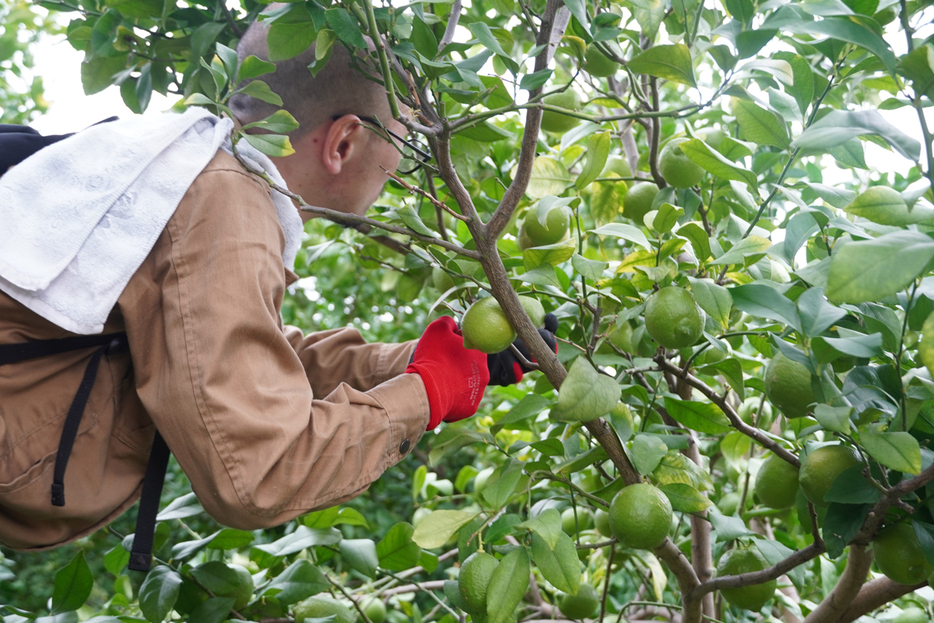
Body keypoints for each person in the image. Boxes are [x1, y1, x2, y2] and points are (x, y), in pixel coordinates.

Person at [0, 14, 545, 564]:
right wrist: (428, 393)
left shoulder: (186, 164)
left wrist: (422, 363)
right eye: (401, 139)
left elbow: (250, 359)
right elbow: (257, 472)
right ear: (344, 141)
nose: (400, 168)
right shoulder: (222, 203)